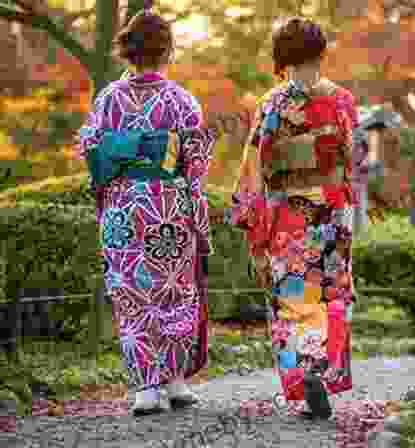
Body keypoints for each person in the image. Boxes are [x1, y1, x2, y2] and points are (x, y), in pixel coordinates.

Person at [76, 9, 219, 416]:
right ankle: (174, 382)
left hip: (123, 207)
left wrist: (108, 186)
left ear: (126, 51)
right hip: (168, 206)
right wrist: (198, 214)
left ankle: (145, 389)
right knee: (175, 291)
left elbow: (90, 149)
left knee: (131, 295)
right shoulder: (181, 100)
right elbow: (195, 163)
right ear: (167, 51)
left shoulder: (107, 99)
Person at [227, 16, 371, 420]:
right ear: (320, 53)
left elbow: (254, 165)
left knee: (294, 297)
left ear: (280, 57)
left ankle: (307, 371)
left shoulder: (272, 103)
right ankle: (322, 369)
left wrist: (249, 216)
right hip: (330, 208)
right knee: (331, 292)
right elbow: (355, 160)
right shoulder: (341, 100)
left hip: (289, 212)